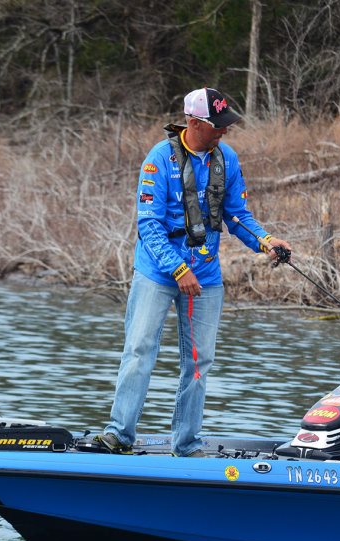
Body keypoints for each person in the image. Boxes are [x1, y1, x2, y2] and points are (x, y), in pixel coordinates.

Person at [95, 87, 291, 457]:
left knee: (199, 361)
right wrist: (178, 267)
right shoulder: (158, 160)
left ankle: (186, 445)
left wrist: (265, 241)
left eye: (226, 124)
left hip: (205, 274)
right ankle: (119, 434)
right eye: (217, 125)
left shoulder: (227, 158)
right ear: (193, 122)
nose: (224, 131)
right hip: (157, 271)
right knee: (139, 349)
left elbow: (236, 215)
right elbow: (149, 225)